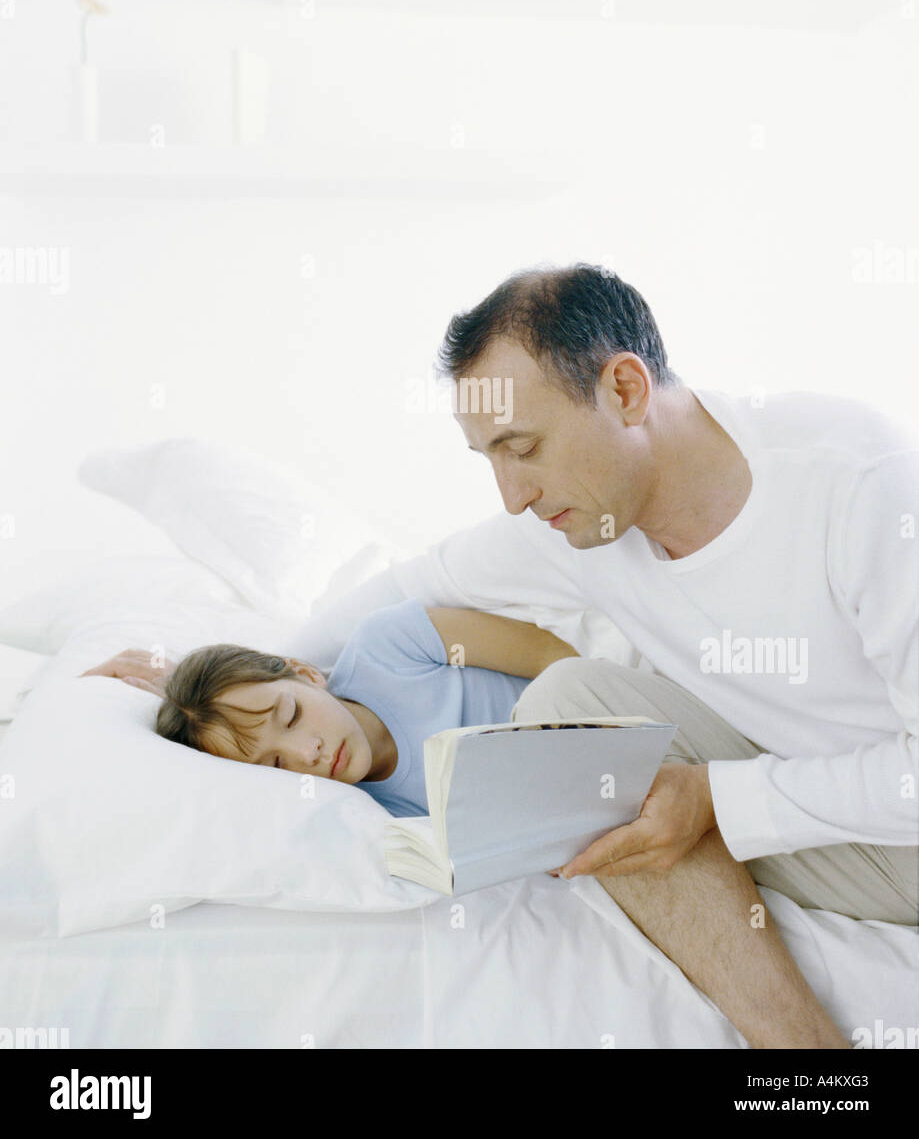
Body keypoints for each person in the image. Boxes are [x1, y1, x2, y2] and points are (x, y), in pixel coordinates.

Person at [282, 262, 918, 1049]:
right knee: (570, 709)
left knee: (572, 715)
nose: (512, 495)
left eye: (523, 448)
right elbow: (410, 583)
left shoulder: (859, 485)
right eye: (489, 459)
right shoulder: (577, 523)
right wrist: (227, 673)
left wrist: (717, 798)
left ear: (624, 390)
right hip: (839, 826)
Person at [81, 601, 578, 816]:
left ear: (306, 672)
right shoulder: (371, 814)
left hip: (607, 712)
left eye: (291, 715)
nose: (309, 752)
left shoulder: (388, 646)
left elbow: (552, 654)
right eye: (276, 764)